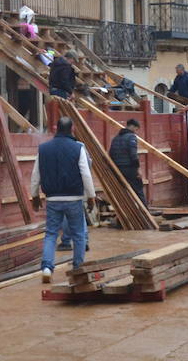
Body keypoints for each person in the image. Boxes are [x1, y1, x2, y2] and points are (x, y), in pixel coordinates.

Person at [29, 116, 95, 283]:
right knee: (79, 234)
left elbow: (35, 174)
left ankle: (46, 268)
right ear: (72, 129)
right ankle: (78, 268)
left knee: (51, 234)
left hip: (52, 199)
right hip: (74, 198)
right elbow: (85, 174)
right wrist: (91, 197)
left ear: (56, 128)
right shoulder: (77, 148)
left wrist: (34, 195)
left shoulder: (43, 149)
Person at [108, 118, 146, 204]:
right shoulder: (131, 137)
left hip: (117, 169)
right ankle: (144, 212)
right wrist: (137, 169)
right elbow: (133, 155)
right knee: (138, 190)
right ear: (132, 127)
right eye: (136, 129)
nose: (136, 131)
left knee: (122, 192)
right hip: (130, 169)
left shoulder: (115, 138)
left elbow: (111, 154)